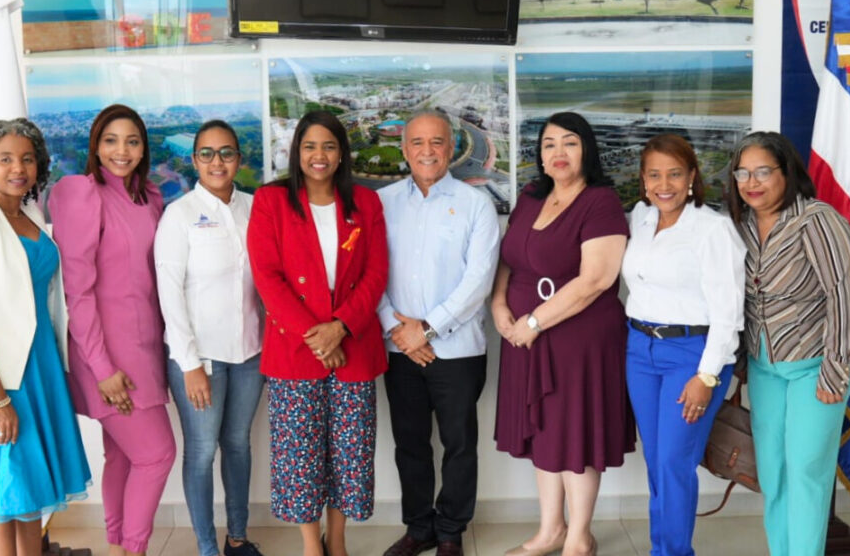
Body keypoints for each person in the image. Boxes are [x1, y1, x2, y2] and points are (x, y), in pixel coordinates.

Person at [0, 118, 91, 556]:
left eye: (27, 158)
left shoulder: (32, 216)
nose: (17, 168)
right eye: (5, 158)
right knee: (4, 494)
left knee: (31, 500)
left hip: (39, 367)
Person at [246, 110, 389, 556]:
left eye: (329, 146)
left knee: (349, 454)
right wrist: (317, 336)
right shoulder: (271, 201)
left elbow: (376, 272)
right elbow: (267, 277)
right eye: (309, 146)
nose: (319, 155)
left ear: (342, 153)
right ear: (297, 153)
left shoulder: (366, 203)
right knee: (300, 457)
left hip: (353, 344)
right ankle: (311, 545)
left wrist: (340, 328)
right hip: (296, 348)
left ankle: (339, 539)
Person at [492, 112, 633, 556]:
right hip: (523, 336)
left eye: (569, 143)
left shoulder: (601, 202)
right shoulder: (532, 197)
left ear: (586, 149)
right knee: (544, 435)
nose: (558, 152)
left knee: (576, 436)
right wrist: (498, 304)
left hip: (579, 340)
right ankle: (550, 530)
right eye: (549, 143)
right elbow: (509, 258)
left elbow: (596, 279)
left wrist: (533, 323)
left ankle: (579, 537)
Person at [725, 132, 850, 556]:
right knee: (774, 471)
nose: (752, 182)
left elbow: (844, 297)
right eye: (743, 172)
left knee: (806, 468)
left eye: (763, 171)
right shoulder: (740, 225)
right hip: (766, 365)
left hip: (818, 362)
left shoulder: (817, 220)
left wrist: (835, 369)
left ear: (787, 173)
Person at [48, 104, 174, 556]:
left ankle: (119, 544)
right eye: (111, 140)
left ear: (143, 148)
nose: (122, 151)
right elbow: (77, 293)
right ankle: (133, 551)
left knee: (122, 455)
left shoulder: (150, 197)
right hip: (104, 353)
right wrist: (102, 368)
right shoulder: (80, 192)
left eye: (132, 141)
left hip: (144, 348)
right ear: (95, 146)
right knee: (157, 455)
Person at [376, 111, 500, 556]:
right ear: (404, 149)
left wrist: (426, 328)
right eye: (418, 143)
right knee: (410, 443)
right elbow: (370, 275)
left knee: (459, 445)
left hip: (458, 349)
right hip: (398, 348)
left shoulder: (475, 205)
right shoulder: (383, 202)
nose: (427, 151)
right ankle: (419, 528)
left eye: (437, 143)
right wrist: (397, 327)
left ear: (451, 148)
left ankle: (450, 532)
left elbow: (479, 280)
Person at [620, 134, 745, 556]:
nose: (664, 184)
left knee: (674, 462)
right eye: (654, 174)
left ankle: (672, 552)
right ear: (642, 179)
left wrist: (706, 376)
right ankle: (664, 548)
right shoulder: (640, 217)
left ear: (692, 176)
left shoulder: (713, 229)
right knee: (657, 462)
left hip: (692, 356)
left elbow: (729, 314)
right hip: (640, 351)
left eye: (674, 173)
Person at [156, 120, 266, 556]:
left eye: (225, 153)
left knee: (238, 445)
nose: (216, 161)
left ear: (238, 158)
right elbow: (169, 293)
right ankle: (206, 548)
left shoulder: (256, 208)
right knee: (201, 452)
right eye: (206, 153)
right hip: (200, 358)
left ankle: (237, 538)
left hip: (251, 355)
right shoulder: (178, 215)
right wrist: (190, 365)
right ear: (194, 159)